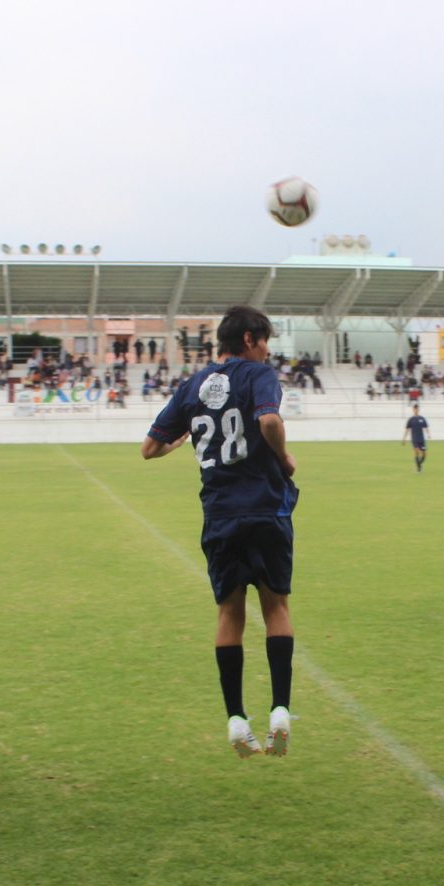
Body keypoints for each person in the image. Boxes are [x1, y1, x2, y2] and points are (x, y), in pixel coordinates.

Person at [141, 305, 299, 759]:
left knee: (230, 615)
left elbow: (149, 448)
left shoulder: (192, 385)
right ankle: (280, 710)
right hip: (266, 509)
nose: (268, 350)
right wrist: (284, 460)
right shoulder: (257, 374)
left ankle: (235, 719)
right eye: (265, 340)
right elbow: (269, 421)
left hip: (220, 514)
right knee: (276, 606)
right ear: (250, 339)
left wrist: (185, 439)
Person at [402, 403, 430, 472]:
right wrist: (404, 439)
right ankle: (419, 468)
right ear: (413, 410)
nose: (416, 410)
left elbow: (426, 427)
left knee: (424, 454)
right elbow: (407, 430)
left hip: (421, 439)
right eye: (415, 409)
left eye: (417, 409)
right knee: (417, 451)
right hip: (415, 438)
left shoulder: (422, 418)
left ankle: (419, 465)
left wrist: (428, 434)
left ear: (418, 409)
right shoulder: (411, 419)